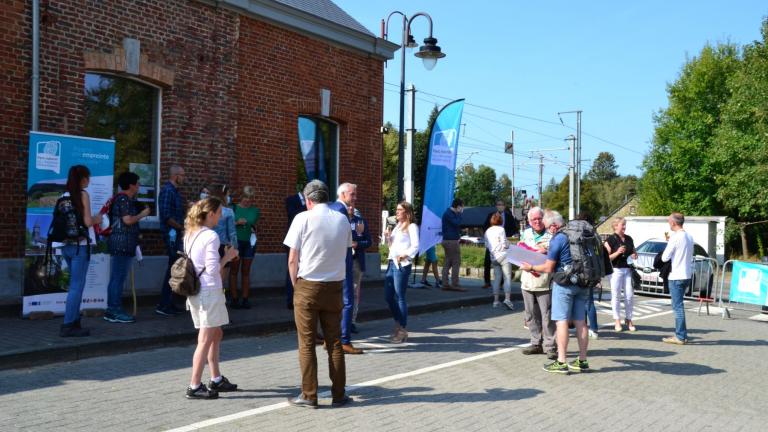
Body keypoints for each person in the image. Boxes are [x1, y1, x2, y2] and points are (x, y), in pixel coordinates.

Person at [283, 180, 353, 408]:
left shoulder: (302, 218)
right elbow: (345, 251)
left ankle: (309, 394)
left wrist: (296, 286)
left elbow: (293, 258)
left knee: (306, 343)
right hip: (334, 285)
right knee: (334, 342)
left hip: (308, 285)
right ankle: (339, 394)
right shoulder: (342, 219)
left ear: (308, 200)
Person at [183, 197, 239, 399]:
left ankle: (215, 378)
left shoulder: (190, 233)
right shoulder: (211, 236)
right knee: (205, 339)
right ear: (210, 214)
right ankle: (194, 385)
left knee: (216, 334)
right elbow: (214, 269)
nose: (221, 216)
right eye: (219, 212)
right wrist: (228, 256)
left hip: (196, 291)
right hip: (209, 291)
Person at [520, 210, 590, 374]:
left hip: (564, 284)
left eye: (547, 225)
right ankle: (582, 360)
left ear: (553, 225)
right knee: (581, 322)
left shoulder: (559, 238)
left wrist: (530, 267)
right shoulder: (579, 236)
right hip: (582, 283)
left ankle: (561, 361)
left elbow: (548, 267)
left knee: (561, 322)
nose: (546, 229)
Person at [57, 165, 102, 337]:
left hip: (66, 246)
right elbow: (88, 222)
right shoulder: (83, 195)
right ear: (82, 178)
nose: (89, 180)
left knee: (74, 285)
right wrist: (98, 218)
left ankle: (74, 321)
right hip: (81, 246)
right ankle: (68, 325)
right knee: (76, 286)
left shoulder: (64, 196)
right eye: (88, 177)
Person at [104, 171, 151, 324]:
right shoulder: (124, 199)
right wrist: (142, 214)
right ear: (131, 185)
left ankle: (113, 309)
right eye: (137, 183)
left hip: (123, 243)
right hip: (121, 243)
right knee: (118, 278)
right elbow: (128, 220)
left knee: (117, 277)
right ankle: (114, 310)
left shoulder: (124, 199)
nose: (139, 186)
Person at [328, 183, 363, 354]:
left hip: (334, 263)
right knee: (348, 302)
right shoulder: (341, 211)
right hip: (343, 262)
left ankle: (332, 338)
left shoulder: (332, 208)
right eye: (352, 194)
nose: (355, 198)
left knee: (334, 302)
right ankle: (344, 340)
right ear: (342, 194)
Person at [518, 207, 556, 359]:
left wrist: (546, 251)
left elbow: (556, 255)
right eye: (534, 219)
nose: (537, 221)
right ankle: (535, 343)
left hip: (544, 281)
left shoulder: (551, 235)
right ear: (529, 221)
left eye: (539, 218)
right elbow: (520, 250)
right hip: (527, 281)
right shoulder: (525, 234)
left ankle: (550, 346)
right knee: (531, 315)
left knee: (547, 315)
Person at [384, 201, 419, 343]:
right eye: (397, 210)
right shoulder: (398, 227)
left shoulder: (412, 226)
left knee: (400, 297)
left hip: (402, 265)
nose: (397, 212)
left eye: (400, 210)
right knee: (388, 296)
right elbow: (392, 247)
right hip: (392, 263)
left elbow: (416, 246)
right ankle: (398, 325)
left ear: (407, 212)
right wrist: (387, 238)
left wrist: (404, 255)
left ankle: (402, 329)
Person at [661, 212, 694, 345]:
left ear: (674, 223)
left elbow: (665, 257)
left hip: (676, 275)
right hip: (686, 274)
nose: (668, 223)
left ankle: (680, 336)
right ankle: (682, 334)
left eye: (669, 221)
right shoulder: (689, 236)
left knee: (677, 307)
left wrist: (669, 244)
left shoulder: (675, 237)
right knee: (679, 306)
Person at [157, 165, 186, 316]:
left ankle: (169, 302)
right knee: (173, 270)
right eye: (182, 175)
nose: (184, 178)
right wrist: (181, 228)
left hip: (176, 235)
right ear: (175, 176)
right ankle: (164, 305)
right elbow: (166, 216)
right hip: (172, 236)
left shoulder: (175, 192)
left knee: (175, 270)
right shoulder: (168, 191)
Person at [604, 217, 638, 332]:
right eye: (622, 225)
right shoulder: (610, 239)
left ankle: (629, 319)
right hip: (615, 270)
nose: (624, 227)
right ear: (615, 226)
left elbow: (633, 251)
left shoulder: (629, 239)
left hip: (627, 269)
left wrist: (634, 255)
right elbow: (606, 258)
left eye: (625, 224)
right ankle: (617, 320)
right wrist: (617, 252)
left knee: (629, 295)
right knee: (616, 295)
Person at [229, 185, 260, 309]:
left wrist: (252, 227)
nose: (247, 200)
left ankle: (245, 299)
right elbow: (227, 225)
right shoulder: (233, 208)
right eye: (246, 197)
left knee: (246, 271)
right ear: (241, 196)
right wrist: (237, 223)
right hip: (236, 242)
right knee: (234, 271)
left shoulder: (255, 210)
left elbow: (254, 224)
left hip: (249, 242)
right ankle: (234, 298)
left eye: (250, 198)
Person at [208, 184, 238, 308]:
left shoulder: (206, 210)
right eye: (228, 194)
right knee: (220, 282)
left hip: (208, 245)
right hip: (222, 247)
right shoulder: (228, 211)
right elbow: (232, 233)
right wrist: (235, 250)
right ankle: (219, 307)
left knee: (208, 280)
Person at [482, 199, 519, 288]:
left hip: (503, 243)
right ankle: (487, 282)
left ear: (505, 206)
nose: (500, 206)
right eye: (498, 204)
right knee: (487, 261)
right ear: (496, 206)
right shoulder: (491, 215)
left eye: (501, 205)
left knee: (503, 264)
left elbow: (514, 228)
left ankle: (501, 283)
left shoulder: (509, 216)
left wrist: (508, 236)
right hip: (492, 243)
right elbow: (485, 226)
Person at [483, 213, 514, 310]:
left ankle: (495, 301)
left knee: (496, 278)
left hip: (493, 257)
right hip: (503, 256)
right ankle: (507, 299)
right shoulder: (501, 229)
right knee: (507, 277)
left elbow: (487, 245)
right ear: (501, 221)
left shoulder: (487, 231)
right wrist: (510, 244)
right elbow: (504, 244)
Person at [349, 207, 371, 333]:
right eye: (349, 205)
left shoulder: (360, 222)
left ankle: (352, 321)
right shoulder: (339, 220)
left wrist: (358, 244)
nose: (351, 207)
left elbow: (368, 241)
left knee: (355, 292)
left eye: (353, 205)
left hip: (356, 261)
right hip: (341, 261)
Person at [284, 190, 307, 309]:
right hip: (293, 240)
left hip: (306, 240)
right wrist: (307, 208)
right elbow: (292, 214)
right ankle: (290, 299)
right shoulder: (291, 200)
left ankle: (301, 297)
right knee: (291, 268)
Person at [441, 198, 464, 291]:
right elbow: (457, 223)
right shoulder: (450, 214)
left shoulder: (448, 213)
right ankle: (455, 284)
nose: (462, 209)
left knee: (448, 262)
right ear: (458, 206)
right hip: (451, 241)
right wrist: (460, 214)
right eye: (462, 207)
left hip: (448, 240)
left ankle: (445, 284)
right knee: (456, 262)